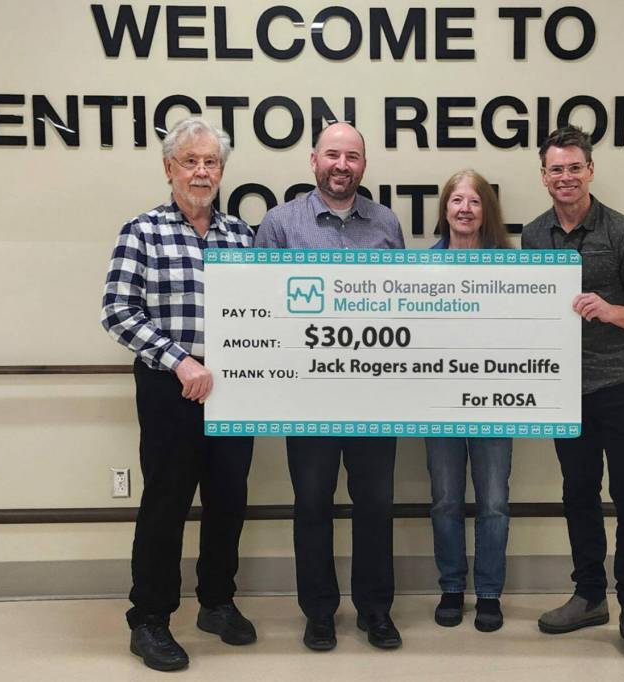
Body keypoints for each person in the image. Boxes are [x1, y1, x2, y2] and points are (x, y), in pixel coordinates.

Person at [101, 117, 257, 672]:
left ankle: (216, 602)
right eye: (189, 161)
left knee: (228, 503)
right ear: (169, 167)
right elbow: (118, 312)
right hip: (171, 390)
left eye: (210, 162)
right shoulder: (141, 231)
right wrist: (180, 360)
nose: (201, 171)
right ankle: (150, 619)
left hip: (235, 394)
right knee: (166, 504)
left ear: (222, 170)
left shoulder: (241, 236)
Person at [254, 122, 406, 651]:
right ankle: (319, 612)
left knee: (376, 505)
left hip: (374, 398)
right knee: (312, 504)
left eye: (353, 157)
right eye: (333, 155)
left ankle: (375, 610)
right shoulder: (279, 224)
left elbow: (402, 306)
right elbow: (262, 310)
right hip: (308, 399)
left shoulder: (386, 223)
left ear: (364, 165)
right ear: (313, 159)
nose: (342, 165)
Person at [521, 125, 624, 659]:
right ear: (543, 176)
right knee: (577, 493)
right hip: (565, 390)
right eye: (555, 169)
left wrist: (610, 309)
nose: (565, 177)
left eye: (574, 167)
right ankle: (588, 596)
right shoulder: (534, 235)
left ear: (590, 171)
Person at [427, 170, 514, 632]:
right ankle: (452, 587)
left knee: (494, 501)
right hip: (438, 403)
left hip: (496, 402)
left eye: (474, 202)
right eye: (457, 200)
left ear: (487, 212)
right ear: (445, 209)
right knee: (444, 499)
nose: (465, 209)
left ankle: (489, 592)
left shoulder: (515, 268)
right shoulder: (421, 267)